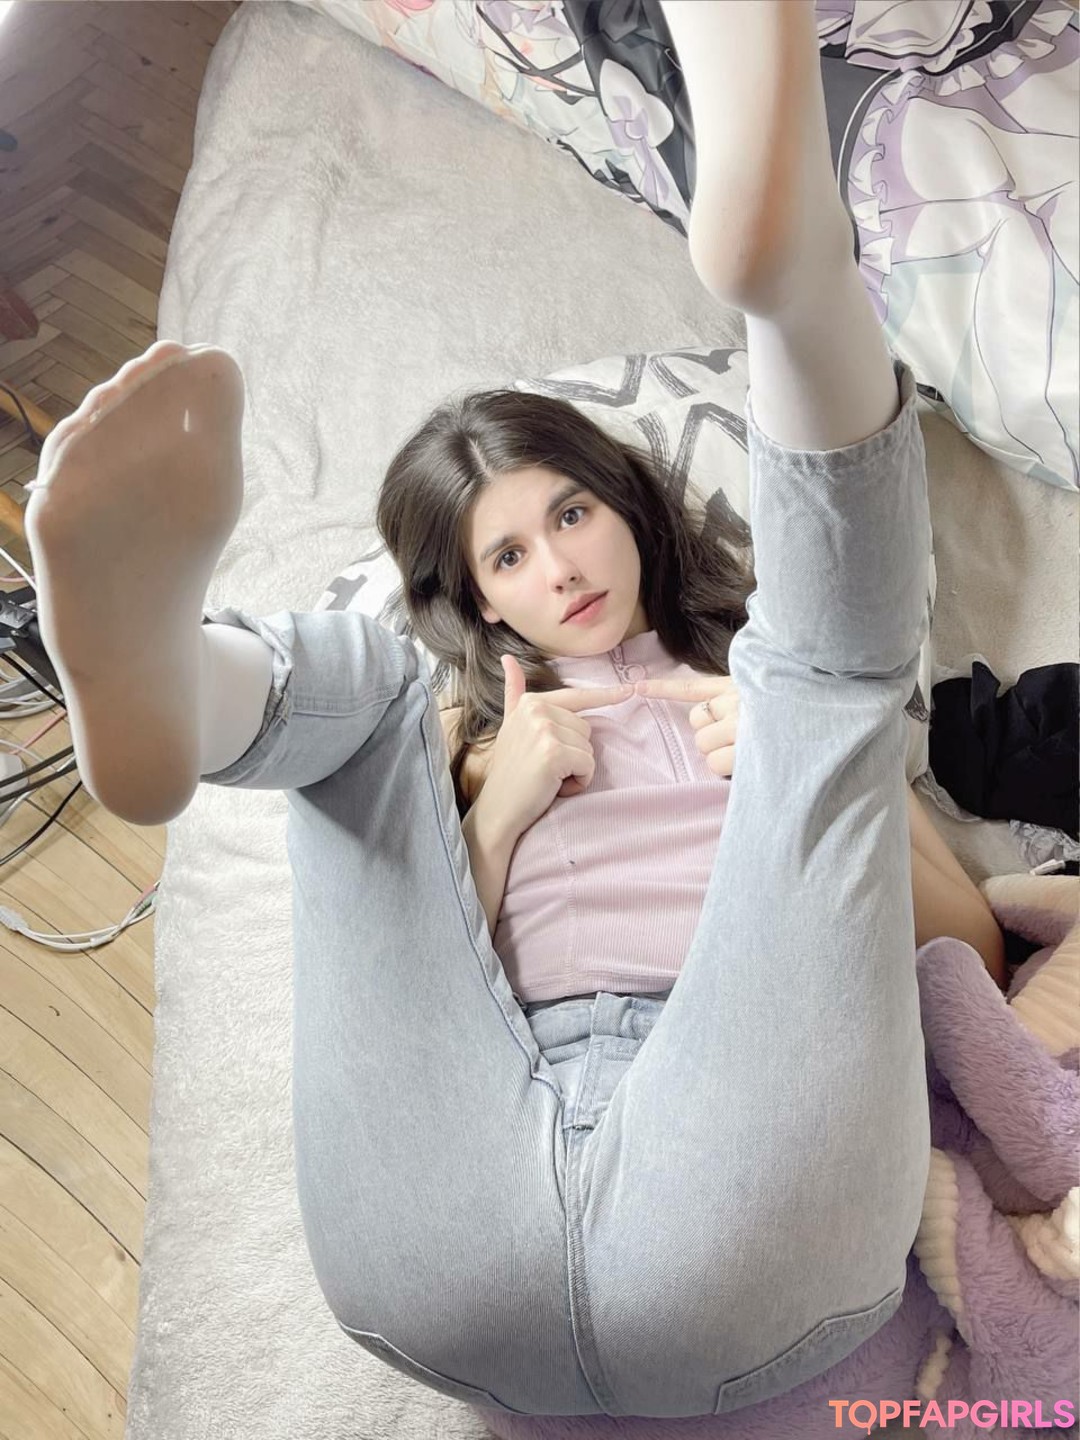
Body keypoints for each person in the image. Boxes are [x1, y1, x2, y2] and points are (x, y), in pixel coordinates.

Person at [24, 0, 1005, 1419]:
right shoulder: (464, 748)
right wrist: (489, 818)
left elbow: (967, 953)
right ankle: (172, 688)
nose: (559, 567)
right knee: (376, 712)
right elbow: (418, 997)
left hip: (741, 1196)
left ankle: (791, 273)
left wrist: (818, 794)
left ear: (630, 511)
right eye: (507, 558)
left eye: (572, 514)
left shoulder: (770, 701)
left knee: (823, 672)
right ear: (482, 607)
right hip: (446, 1214)